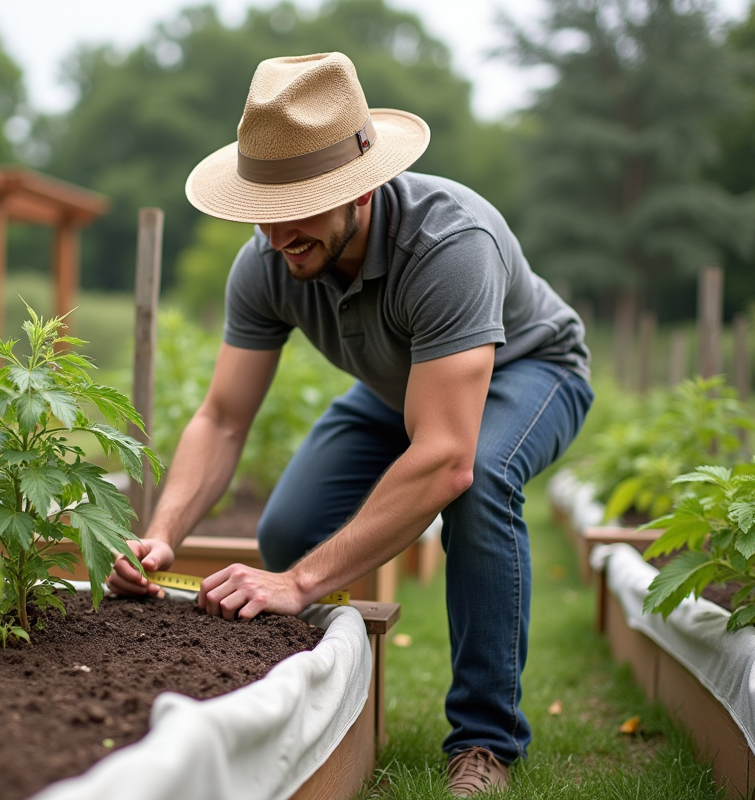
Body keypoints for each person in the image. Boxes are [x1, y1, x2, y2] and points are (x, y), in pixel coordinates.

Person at [107, 51, 592, 797]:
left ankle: (486, 739)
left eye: (296, 208)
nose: (274, 237)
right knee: (290, 529)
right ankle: (333, 687)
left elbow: (447, 459)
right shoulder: (268, 258)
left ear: (357, 190)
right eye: (263, 211)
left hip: (531, 370)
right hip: (398, 386)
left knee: (480, 478)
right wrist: (164, 531)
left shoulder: (448, 246)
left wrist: (300, 586)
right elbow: (224, 417)